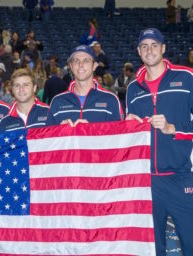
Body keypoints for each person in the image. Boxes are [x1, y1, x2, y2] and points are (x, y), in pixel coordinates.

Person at [126, 28, 193, 256]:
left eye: (154, 45)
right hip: (148, 183)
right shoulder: (133, 89)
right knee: (152, 249)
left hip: (181, 177)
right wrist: (129, 126)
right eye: (144, 46)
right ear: (138, 51)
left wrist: (171, 129)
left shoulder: (186, 78)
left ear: (163, 49)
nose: (149, 50)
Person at [47, 45, 123, 126]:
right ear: (71, 67)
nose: (80, 65)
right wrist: (60, 131)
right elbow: (48, 137)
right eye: (76, 61)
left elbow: (120, 137)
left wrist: (89, 130)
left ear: (94, 66)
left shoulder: (111, 100)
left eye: (86, 61)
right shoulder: (57, 102)